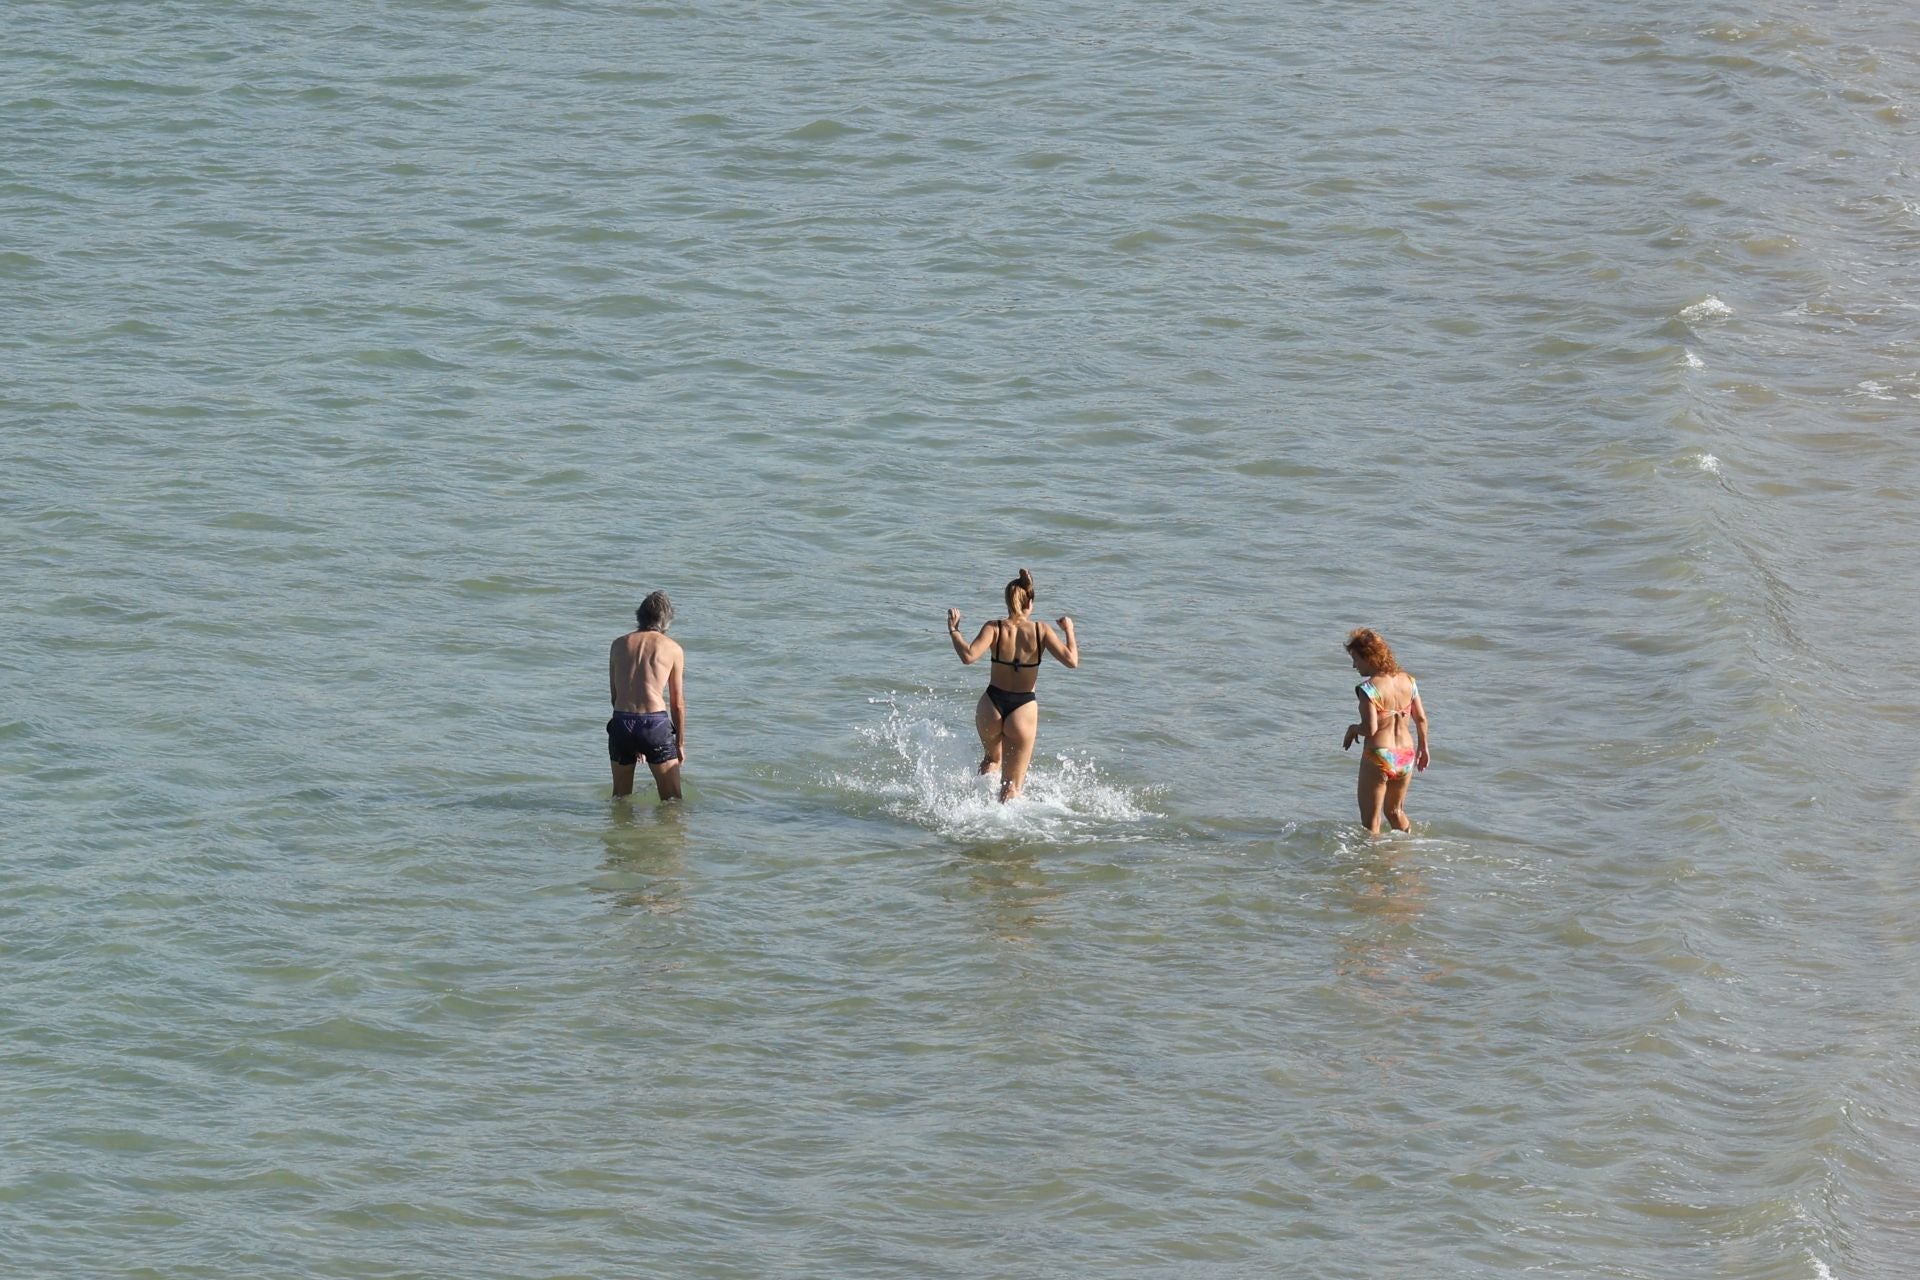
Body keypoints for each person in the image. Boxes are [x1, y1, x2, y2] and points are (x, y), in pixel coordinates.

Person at [947, 568, 1079, 803]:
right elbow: (1072, 661)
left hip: (991, 705)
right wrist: (1069, 630)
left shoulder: (994, 627)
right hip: (1023, 708)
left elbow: (968, 656)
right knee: (1010, 787)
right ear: (1030, 603)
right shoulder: (1041, 630)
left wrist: (954, 630)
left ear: (1007, 602)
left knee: (992, 760)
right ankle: (1000, 831)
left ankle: (971, 808)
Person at [1341, 628, 1429, 833]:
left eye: (1356, 659)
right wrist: (1424, 748)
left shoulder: (1368, 689)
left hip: (1379, 756)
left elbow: (1370, 728)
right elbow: (1421, 718)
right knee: (1395, 811)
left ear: (1369, 657)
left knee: (1371, 823)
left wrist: (1353, 729)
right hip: (1406, 755)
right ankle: (1406, 854)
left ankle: (1373, 865)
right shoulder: (1409, 681)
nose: (1354, 665)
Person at [608, 591, 686, 801]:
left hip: (621, 722)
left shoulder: (618, 644)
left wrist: (634, 741)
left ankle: (619, 832)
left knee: (620, 798)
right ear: (667, 620)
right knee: (672, 801)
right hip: (654, 725)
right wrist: (679, 744)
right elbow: (677, 704)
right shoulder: (673, 649)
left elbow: (615, 696)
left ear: (639, 616)